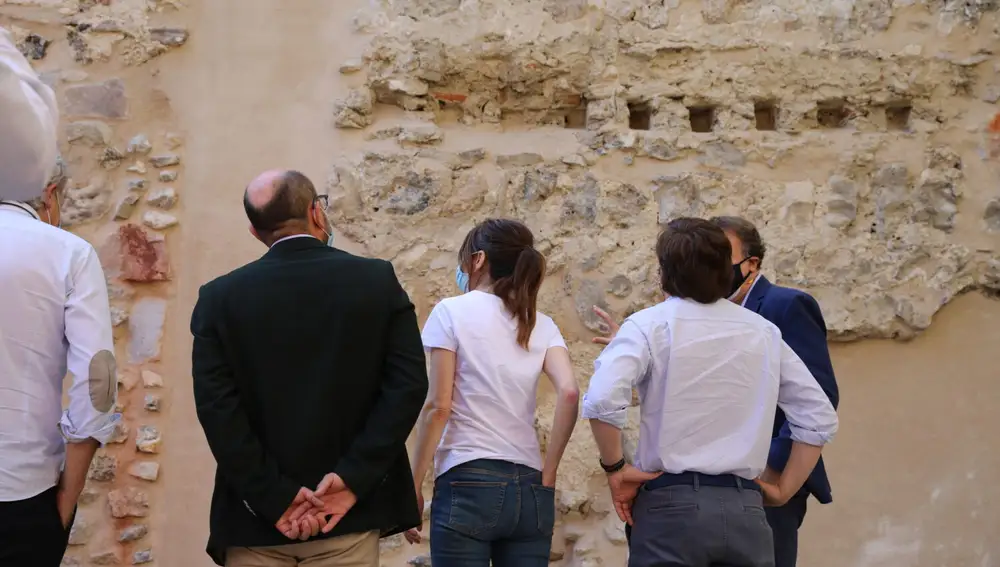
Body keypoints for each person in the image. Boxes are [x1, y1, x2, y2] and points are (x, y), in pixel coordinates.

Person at [191, 169, 429, 567]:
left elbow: (217, 411)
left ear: (254, 231)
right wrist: (352, 480)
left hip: (254, 524)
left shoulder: (219, 298)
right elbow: (407, 386)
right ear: (316, 213)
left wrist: (275, 497)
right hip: (346, 519)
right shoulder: (375, 281)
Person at [582, 218, 838, 567]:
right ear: (724, 270)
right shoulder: (763, 332)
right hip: (746, 508)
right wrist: (782, 490)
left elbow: (600, 401)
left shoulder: (648, 324)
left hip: (672, 507)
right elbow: (819, 417)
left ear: (664, 273)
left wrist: (615, 468)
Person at [0, 27, 119, 567]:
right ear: (50, 194)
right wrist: (67, 501)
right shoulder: (67, 253)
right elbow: (97, 383)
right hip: (20, 492)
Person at [403, 218, 580, 567]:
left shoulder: (451, 312)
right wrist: (549, 473)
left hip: (468, 478)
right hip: (530, 484)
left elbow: (439, 407)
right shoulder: (542, 324)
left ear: (478, 259)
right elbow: (571, 393)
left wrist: (414, 485)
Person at [710, 215, 840, 567]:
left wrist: (772, 467)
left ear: (751, 263)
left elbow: (820, 394)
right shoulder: (705, 314)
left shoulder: (786, 305)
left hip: (765, 485)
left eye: (722, 254)